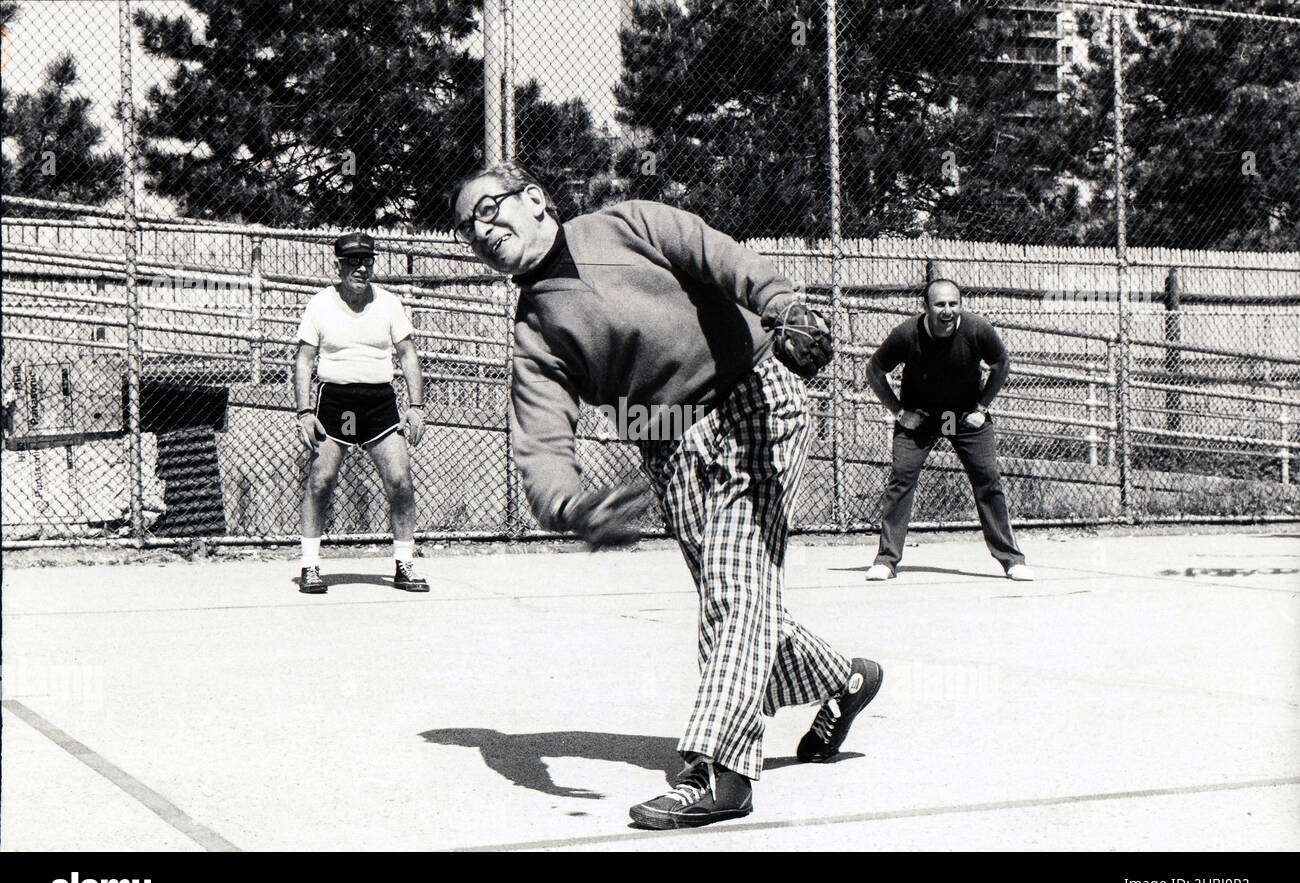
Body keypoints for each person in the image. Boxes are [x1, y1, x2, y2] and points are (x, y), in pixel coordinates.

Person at [452, 162, 884, 830]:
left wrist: (781, 303)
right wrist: (571, 506)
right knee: (732, 596)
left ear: (535, 199)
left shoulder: (625, 225)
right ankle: (841, 679)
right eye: (466, 229)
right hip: (666, 442)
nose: (480, 232)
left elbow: (715, 253)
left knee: (736, 591)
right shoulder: (535, 333)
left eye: (487, 211)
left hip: (754, 396)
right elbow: (541, 446)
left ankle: (720, 769)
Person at [864, 279, 1034, 582]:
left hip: (964, 418)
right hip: (921, 419)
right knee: (901, 480)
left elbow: (1001, 363)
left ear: (961, 304)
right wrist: (899, 412)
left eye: (953, 304)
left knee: (987, 479)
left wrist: (981, 408)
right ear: (925, 307)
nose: (947, 311)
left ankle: (1011, 559)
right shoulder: (905, 334)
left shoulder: (977, 328)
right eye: (939, 304)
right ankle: (886, 561)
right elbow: (874, 370)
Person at [293, 232, 430, 594]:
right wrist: (305, 412)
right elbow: (305, 360)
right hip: (334, 402)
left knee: (400, 481)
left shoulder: (389, 304)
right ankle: (310, 566)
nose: (361, 268)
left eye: (366, 261)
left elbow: (409, 356)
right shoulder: (319, 305)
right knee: (321, 481)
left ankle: (405, 565)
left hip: (379, 403)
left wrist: (415, 407)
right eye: (352, 261)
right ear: (338, 266)